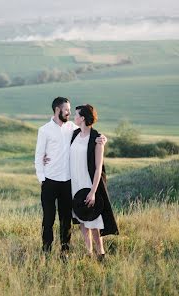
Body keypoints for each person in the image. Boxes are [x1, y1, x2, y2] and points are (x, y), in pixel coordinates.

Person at [34, 97, 107, 256]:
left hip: (68, 182)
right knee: (48, 219)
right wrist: (42, 179)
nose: (69, 113)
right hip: (49, 181)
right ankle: (46, 250)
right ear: (57, 110)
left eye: (70, 110)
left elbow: (89, 132)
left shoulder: (72, 128)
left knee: (66, 220)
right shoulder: (44, 130)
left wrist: (102, 138)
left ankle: (64, 252)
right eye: (67, 110)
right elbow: (39, 156)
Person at [70, 104, 118, 259]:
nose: (74, 117)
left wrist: (93, 192)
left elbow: (98, 168)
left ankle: (101, 254)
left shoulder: (96, 138)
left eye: (76, 115)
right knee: (82, 218)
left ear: (82, 117)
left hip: (90, 184)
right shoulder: (74, 134)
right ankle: (88, 253)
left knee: (95, 221)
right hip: (75, 183)